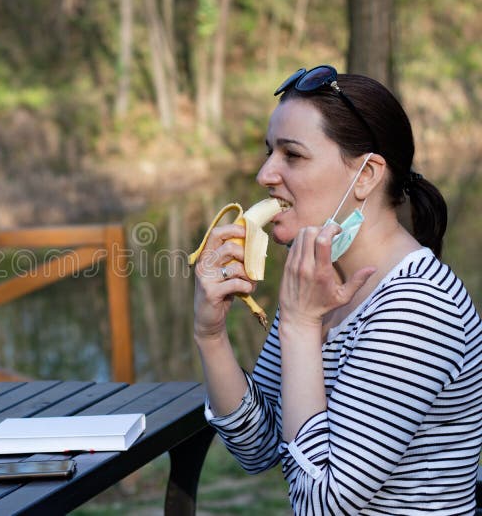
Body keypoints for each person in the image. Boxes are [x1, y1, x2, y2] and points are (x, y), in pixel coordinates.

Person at [192, 64, 482, 515]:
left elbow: (323, 505)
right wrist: (210, 334)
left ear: (366, 175)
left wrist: (304, 329)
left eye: (292, 155)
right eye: (269, 152)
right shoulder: (320, 284)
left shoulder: (418, 307)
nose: (265, 174)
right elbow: (260, 447)